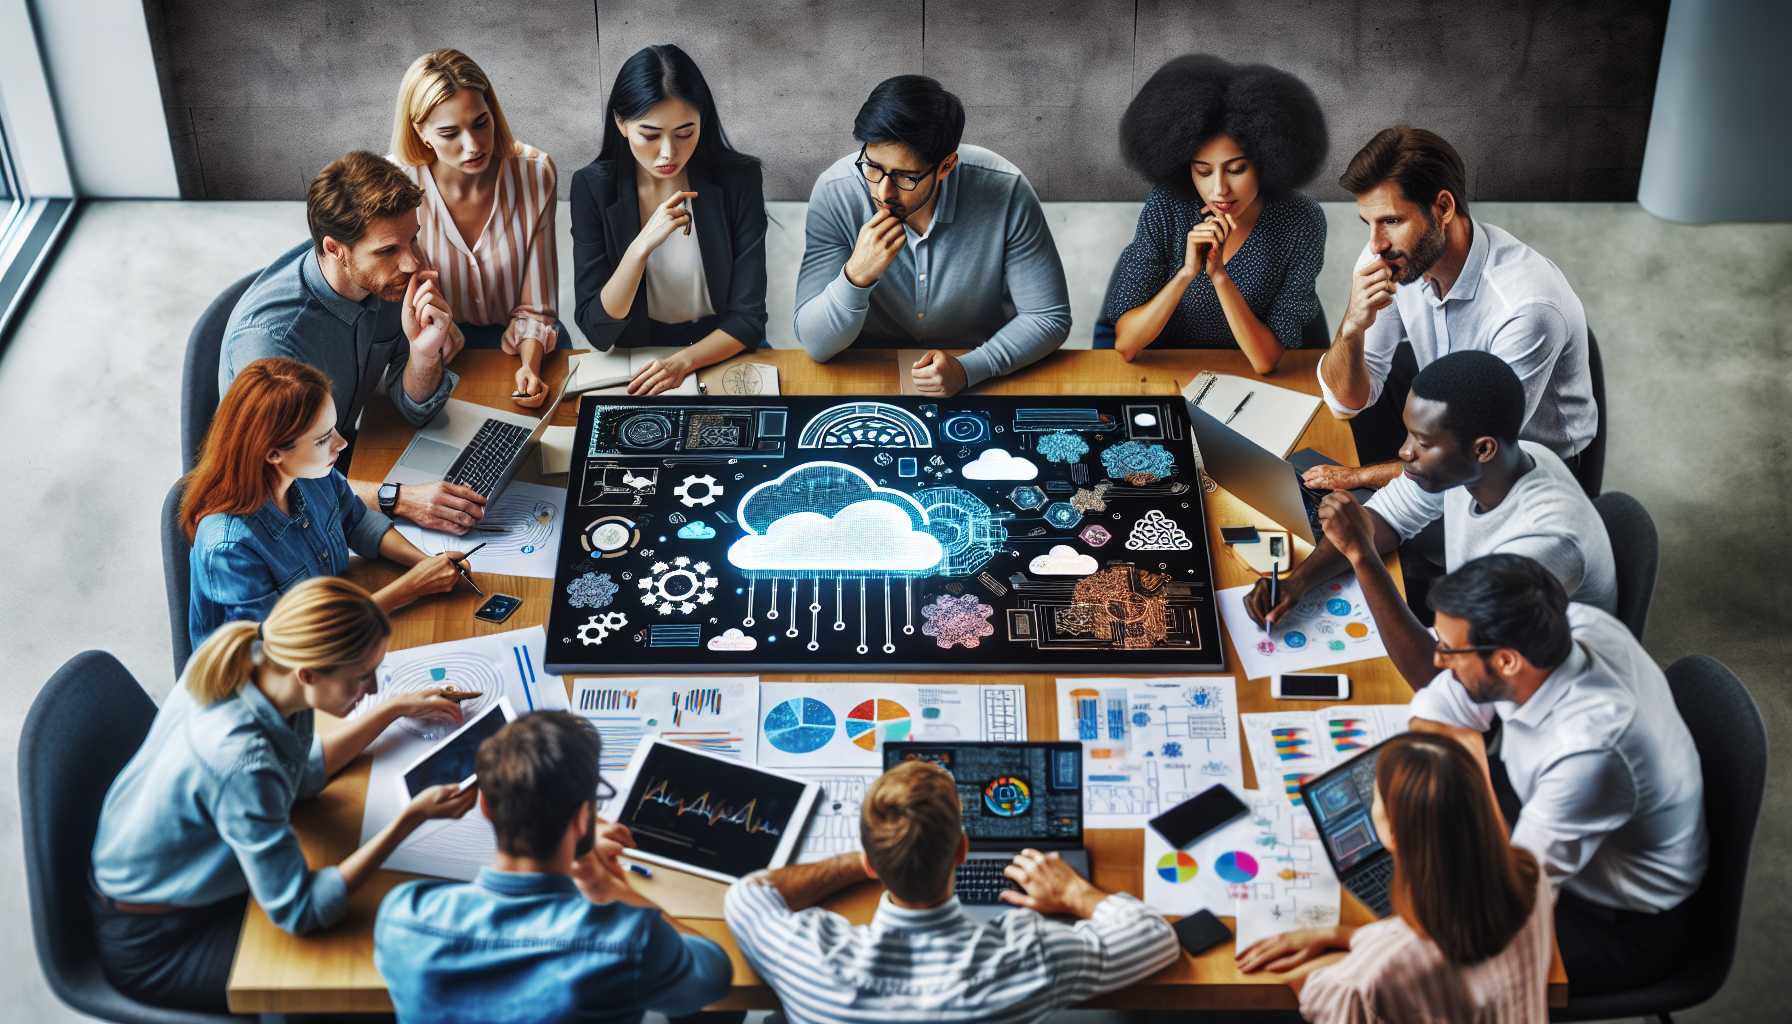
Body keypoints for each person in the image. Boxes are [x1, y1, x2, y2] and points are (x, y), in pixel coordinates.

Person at [90, 577, 478, 1013]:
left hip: (201, 880)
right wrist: (407, 820)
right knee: (378, 979)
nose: (369, 691)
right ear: (308, 674)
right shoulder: (241, 761)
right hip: (162, 940)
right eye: (360, 678)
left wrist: (395, 708)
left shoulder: (254, 662)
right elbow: (303, 910)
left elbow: (301, 778)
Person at [1409, 554, 1708, 996]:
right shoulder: (1570, 624)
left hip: (1619, 918)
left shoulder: (1588, 751)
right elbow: (1445, 704)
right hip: (1553, 828)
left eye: (1450, 649)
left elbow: (1509, 899)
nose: (1438, 660)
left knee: (1425, 984)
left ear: (1508, 661)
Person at [1246, 351, 1616, 686]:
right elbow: (1388, 516)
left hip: (1540, 697)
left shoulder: (1541, 544)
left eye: (1422, 442)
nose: (1404, 451)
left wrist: (1361, 555)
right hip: (1473, 633)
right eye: (1409, 434)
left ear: (1482, 449)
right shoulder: (1495, 463)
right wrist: (1298, 582)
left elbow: (1441, 677)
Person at [723, 759, 1177, 1022]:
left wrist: (883, 852)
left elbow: (747, 895)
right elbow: (1154, 938)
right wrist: (1075, 893)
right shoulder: (1033, 954)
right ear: (962, 849)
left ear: (867, 862)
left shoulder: (806, 954)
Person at [375, 712, 731, 1022]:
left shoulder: (404, 915)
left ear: (484, 805)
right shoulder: (632, 940)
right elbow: (712, 975)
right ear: (583, 819)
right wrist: (607, 887)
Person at [1307, 127, 1597, 495]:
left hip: (1531, 467)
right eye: (1370, 223)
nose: (1376, 244)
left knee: (1374, 530)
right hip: (1449, 420)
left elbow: (1474, 460)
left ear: (1443, 208)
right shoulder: (1390, 258)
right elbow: (1345, 402)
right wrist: (1351, 328)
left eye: (1392, 221)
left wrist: (1358, 477)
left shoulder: (1526, 308)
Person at [221, 149, 487, 535]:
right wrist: (400, 499)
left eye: (412, 240)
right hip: (283, 517)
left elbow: (412, 409)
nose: (412, 263)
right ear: (335, 249)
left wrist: (424, 354)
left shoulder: (382, 279)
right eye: (388, 251)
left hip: (344, 456)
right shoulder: (270, 341)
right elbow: (279, 483)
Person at [1237, 732, 1554, 1022]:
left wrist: (1312, 969)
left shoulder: (1365, 983)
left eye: (1375, 797)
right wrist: (1343, 935)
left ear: (1394, 835)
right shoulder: (1530, 875)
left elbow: (1326, 994)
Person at [794, 75, 1071, 397]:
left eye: (906, 177)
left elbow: (1048, 318)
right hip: (863, 373)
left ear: (946, 166)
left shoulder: (1005, 189)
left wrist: (968, 369)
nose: (883, 191)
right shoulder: (835, 191)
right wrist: (856, 277)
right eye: (872, 167)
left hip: (979, 374)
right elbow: (815, 345)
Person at [184, 358, 471, 650]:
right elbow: (280, 646)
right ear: (273, 454)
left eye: (333, 428)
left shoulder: (307, 472)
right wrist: (411, 587)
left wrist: (425, 563)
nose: (341, 443)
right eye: (323, 439)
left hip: (336, 629)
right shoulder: (229, 547)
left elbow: (356, 520)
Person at [1098, 55, 1329, 372]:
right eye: (1203, 171)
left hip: (1253, 379)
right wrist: (1186, 273)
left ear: (1266, 159)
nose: (1219, 189)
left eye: (1236, 169)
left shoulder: (1301, 221)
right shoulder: (1167, 205)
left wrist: (1219, 276)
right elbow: (1126, 344)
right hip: (1169, 372)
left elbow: (1264, 362)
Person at [571, 44, 767, 395]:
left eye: (684, 133)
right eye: (649, 134)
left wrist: (683, 362)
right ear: (621, 123)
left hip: (722, 350)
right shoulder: (593, 188)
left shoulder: (739, 179)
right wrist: (640, 248)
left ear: (702, 122)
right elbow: (597, 331)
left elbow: (749, 318)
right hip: (639, 358)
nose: (668, 153)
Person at [391, 48, 561, 409]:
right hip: (435, 346)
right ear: (421, 133)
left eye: (481, 122)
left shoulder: (535, 172)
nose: (473, 145)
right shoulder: (395, 184)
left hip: (526, 344)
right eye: (450, 132)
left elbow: (538, 307)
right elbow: (407, 306)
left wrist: (530, 368)